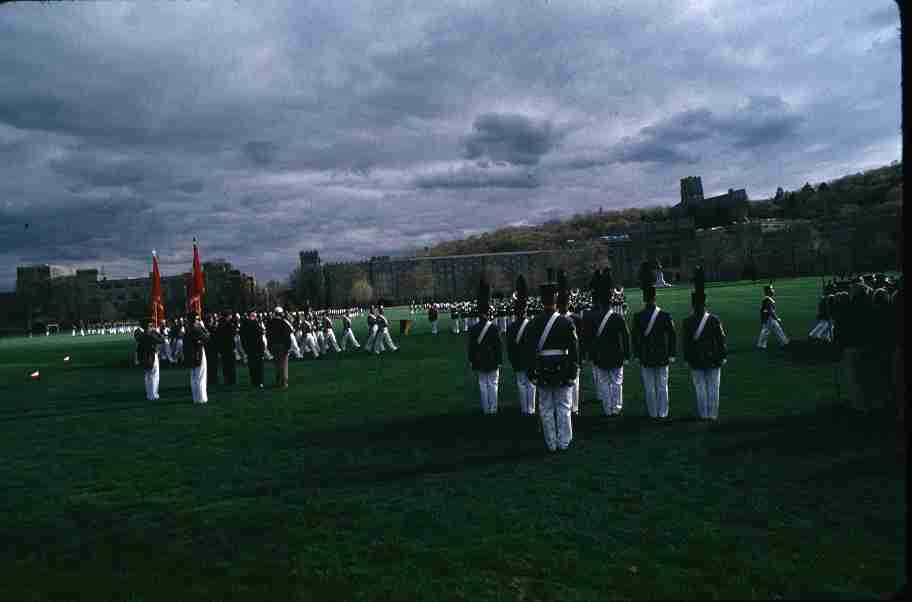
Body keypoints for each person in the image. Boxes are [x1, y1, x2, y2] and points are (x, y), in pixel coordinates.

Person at [523, 269, 579, 452]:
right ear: (555, 299)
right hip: (562, 367)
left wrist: (532, 372)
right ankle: (564, 442)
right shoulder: (566, 322)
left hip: (543, 368)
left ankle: (551, 443)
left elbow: (530, 351)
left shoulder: (533, 323)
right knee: (563, 406)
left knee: (546, 408)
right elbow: (574, 350)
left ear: (541, 300)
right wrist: (573, 371)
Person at [681, 266, 727, 421]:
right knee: (714, 388)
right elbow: (721, 339)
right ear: (705, 303)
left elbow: (686, 343)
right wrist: (723, 355)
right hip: (713, 357)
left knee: (700, 388)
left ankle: (703, 414)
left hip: (696, 359)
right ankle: (712, 414)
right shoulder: (714, 319)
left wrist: (687, 358)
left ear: (693, 305)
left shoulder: (687, 321)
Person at [585, 268, 630, 416]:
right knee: (616, 383)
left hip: (599, 355)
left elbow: (589, 339)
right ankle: (616, 407)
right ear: (610, 299)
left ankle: (607, 409)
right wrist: (627, 355)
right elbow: (625, 336)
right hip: (616, 354)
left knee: (603, 383)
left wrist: (590, 355)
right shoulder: (617, 317)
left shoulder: (591, 316)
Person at [631, 277, 676, 419]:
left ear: (644, 298)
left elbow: (635, 338)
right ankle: (663, 413)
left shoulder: (638, 316)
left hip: (646, 354)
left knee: (649, 387)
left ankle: (653, 412)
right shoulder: (665, 315)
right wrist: (671, 354)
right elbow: (672, 336)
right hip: (662, 354)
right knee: (663, 385)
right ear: (655, 297)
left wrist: (637, 354)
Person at [467, 277, 503, 415]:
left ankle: (486, 409)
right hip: (492, 359)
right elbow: (498, 346)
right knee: (493, 385)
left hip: (479, 359)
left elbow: (471, 347)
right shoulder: (494, 328)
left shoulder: (474, 328)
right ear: (488, 312)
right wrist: (499, 360)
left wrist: (472, 360)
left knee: (482, 385)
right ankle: (493, 409)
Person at [505, 275, 536, 415]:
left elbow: (510, 347)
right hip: (529, 359)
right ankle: (531, 408)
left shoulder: (511, 327)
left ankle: (525, 409)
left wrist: (512, 360)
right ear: (525, 310)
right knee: (531, 384)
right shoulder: (531, 325)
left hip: (518, 359)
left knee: (521, 384)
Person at [556, 270, 583, 415]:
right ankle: (575, 408)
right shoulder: (576, 318)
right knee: (575, 383)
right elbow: (581, 341)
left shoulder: (557, 320)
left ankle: (568, 408)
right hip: (573, 354)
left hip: (561, 356)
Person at [185, 313, 211, 404]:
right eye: (197, 319)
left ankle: (196, 398)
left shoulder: (188, 329)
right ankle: (202, 398)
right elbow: (207, 337)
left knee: (194, 377)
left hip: (191, 355)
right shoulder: (196, 329)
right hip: (198, 353)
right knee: (201, 377)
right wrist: (203, 327)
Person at [136, 322, 165, 401]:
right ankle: (153, 394)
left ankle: (149, 394)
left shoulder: (141, 336)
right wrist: (156, 332)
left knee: (148, 377)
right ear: (148, 327)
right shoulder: (151, 335)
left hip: (144, 357)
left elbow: (138, 348)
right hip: (152, 356)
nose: (152, 327)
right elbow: (162, 340)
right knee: (154, 376)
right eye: (151, 326)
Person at [266, 306, 294, 389]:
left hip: (273, 346)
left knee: (277, 365)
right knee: (284, 365)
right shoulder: (284, 323)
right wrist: (288, 347)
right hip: (282, 346)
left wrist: (269, 347)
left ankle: (278, 381)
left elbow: (268, 336)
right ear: (281, 314)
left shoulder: (269, 323)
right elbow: (287, 336)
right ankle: (284, 383)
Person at [756, 281, 789, 349]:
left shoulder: (768, 299)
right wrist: (776, 318)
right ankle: (761, 344)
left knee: (775, 330)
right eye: (771, 290)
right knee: (767, 331)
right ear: (768, 292)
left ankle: (784, 342)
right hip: (769, 318)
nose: (773, 291)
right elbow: (770, 311)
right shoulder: (767, 300)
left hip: (769, 318)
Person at [240, 310, 266, 388]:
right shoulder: (255, 324)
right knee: (259, 366)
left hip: (249, 348)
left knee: (252, 366)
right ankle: (259, 381)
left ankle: (253, 381)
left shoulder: (243, 325)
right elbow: (260, 333)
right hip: (257, 348)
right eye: (254, 315)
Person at [215, 312, 238, 385]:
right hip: (229, 347)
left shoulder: (219, 324)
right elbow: (232, 334)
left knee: (225, 365)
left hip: (223, 347)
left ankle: (226, 379)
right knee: (231, 365)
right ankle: (231, 380)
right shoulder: (229, 324)